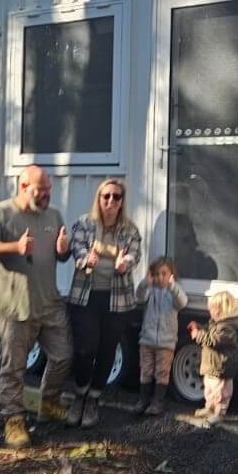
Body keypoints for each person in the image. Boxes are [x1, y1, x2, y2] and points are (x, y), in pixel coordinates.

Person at [0, 165, 71, 448]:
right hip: (14, 305)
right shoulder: (0, 214)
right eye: (42, 190)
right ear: (24, 186)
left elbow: (60, 255)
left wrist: (63, 250)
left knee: (64, 355)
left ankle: (49, 402)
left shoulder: (53, 216)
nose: (47, 195)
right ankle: (14, 420)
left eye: (49, 189)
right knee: (14, 367)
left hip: (49, 302)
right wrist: (14, 247)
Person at [66, 177, 142, 428]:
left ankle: (94, 399)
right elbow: (76, 249)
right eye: (106, 196)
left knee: (107, 350)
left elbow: (135, 254)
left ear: (122, 201)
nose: (111, 201)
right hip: (86, 297)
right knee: (85, 349)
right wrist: (85, 259)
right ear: (98, 198)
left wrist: (125, 263)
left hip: (117, 301)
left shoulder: (130, 230)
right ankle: (80, 395)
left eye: (116, 197)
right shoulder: (84, 223)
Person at [133, 256, 187, 417]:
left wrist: (172, 286)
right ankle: (143, 400)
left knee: (162, 372)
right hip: (147, 340)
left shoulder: (174, 291)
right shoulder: (150, 290)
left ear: (171, 275)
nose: (160, 277)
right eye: (156, 274)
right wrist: (145, 283)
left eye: (164, 274)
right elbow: (139, 297)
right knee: (146, 370)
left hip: (166, 342)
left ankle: (157, 402)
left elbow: (182, 303)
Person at [187, 290, 238, 427]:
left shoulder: (227, 327)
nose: (210, 311)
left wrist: (198, 335)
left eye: (212, 308)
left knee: (221, 392)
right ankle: (210, 408)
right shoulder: (216, 323)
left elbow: (214, 340)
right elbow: (209, 331)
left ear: (221, 310)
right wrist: (199, 327)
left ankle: (219, 414)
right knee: (209, 388)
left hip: (221, 366)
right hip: (213, 365)